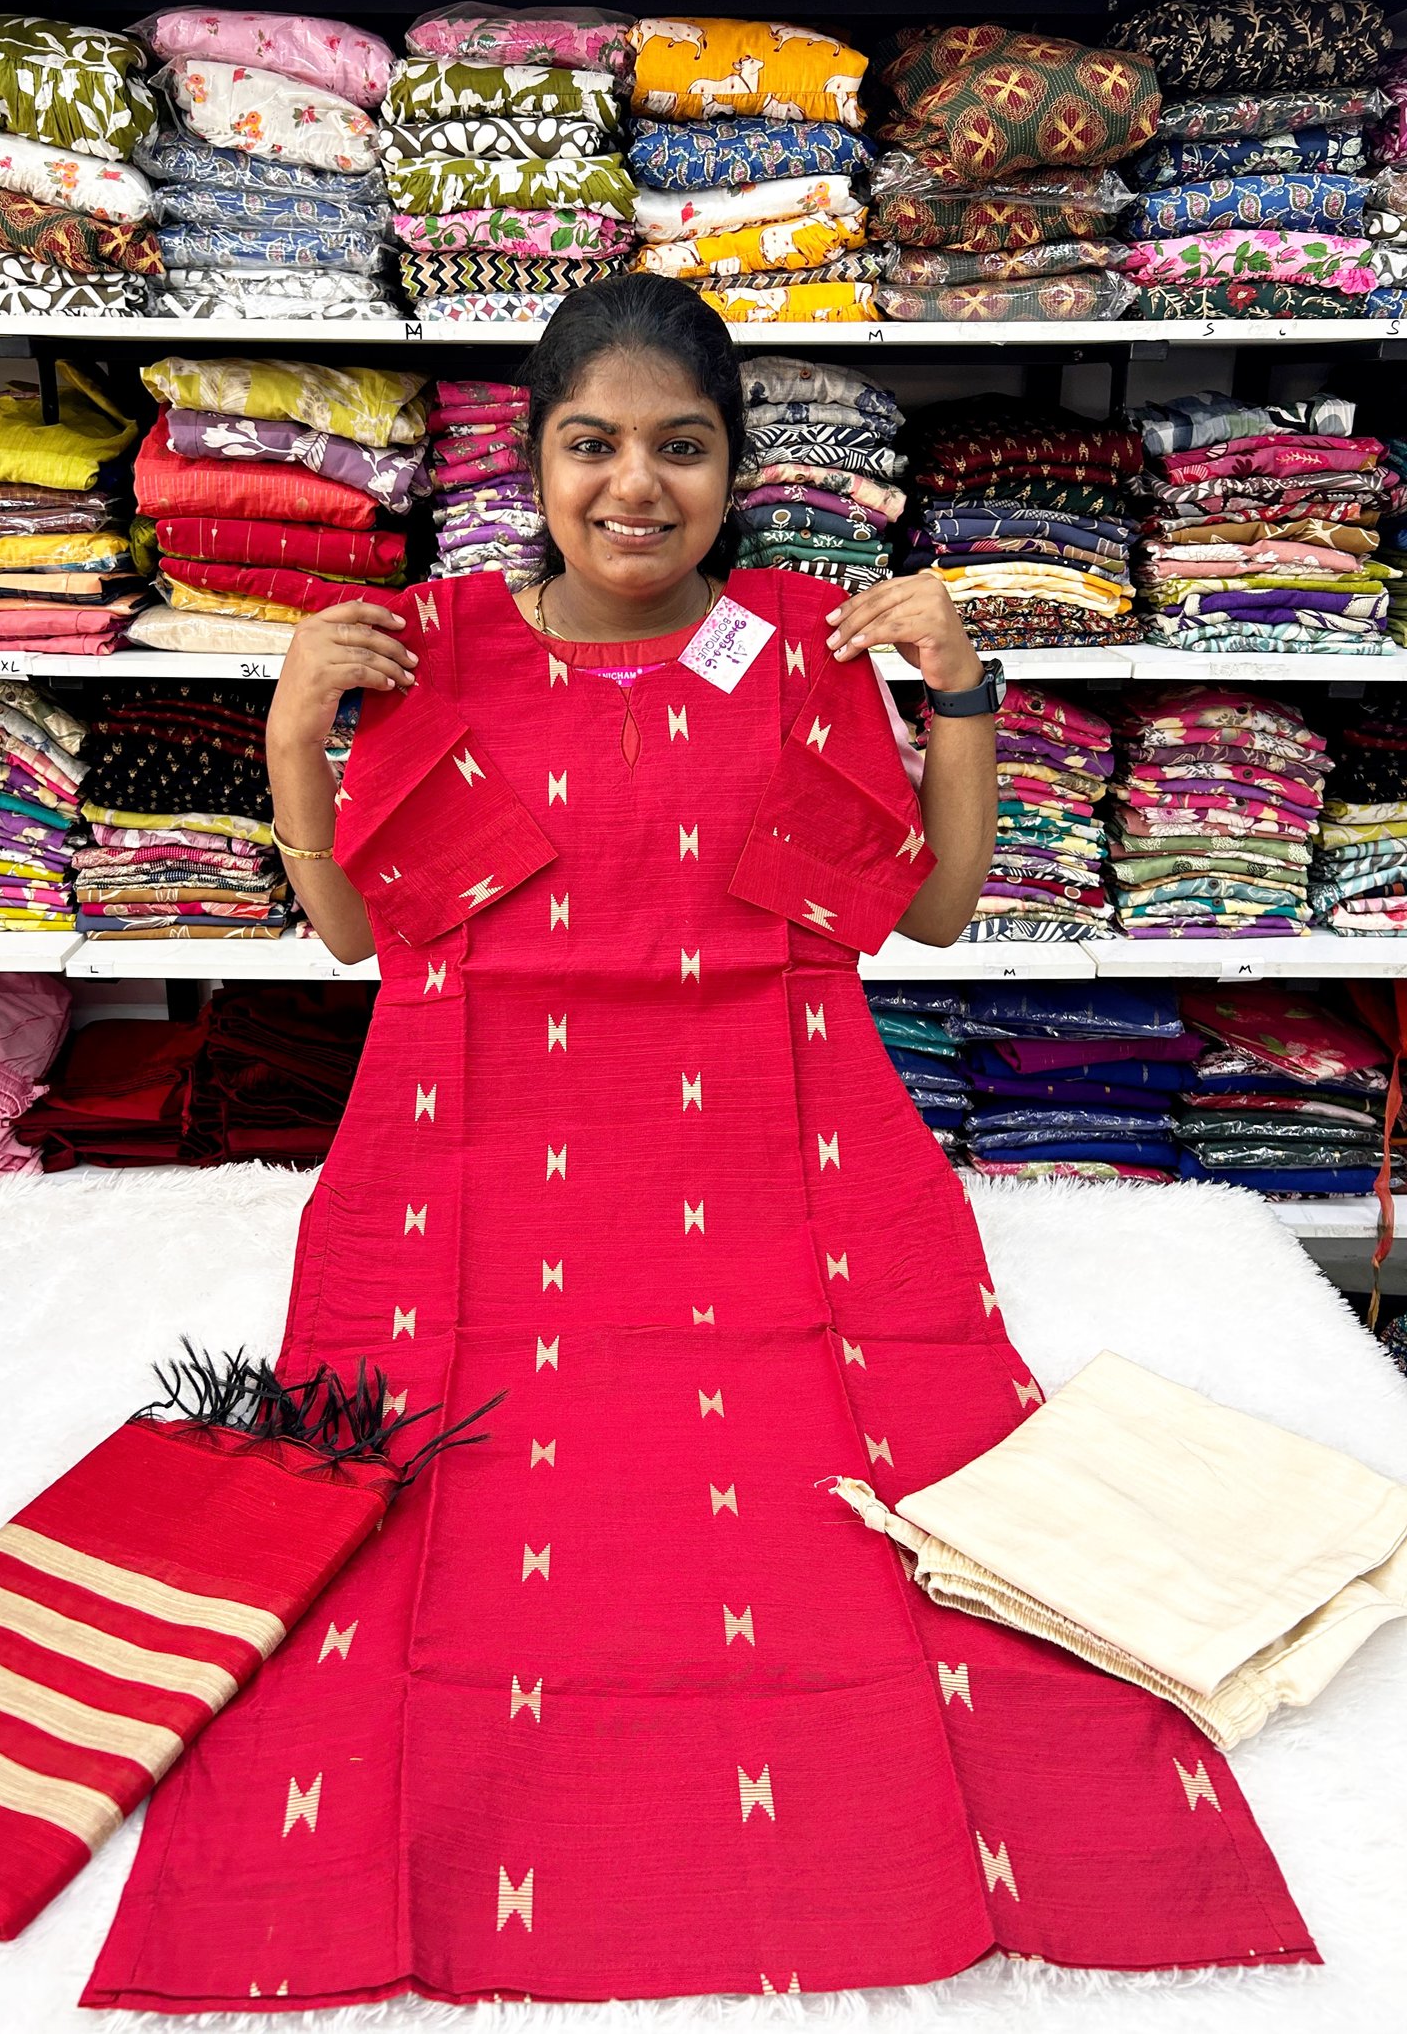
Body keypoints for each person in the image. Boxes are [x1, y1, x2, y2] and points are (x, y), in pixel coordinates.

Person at [86, 281, 1313, 2012]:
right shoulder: (433, 644)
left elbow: (939, 916)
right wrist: (297, 726)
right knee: (415, 1524)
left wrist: (962, 690)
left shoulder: (805, 645)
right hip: (476, 1155)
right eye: (592, 445)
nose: (635, 486)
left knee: (898, 1501)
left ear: (736, 469)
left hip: (780, 1150)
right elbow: (359, 939)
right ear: (534, 462)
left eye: (681, 447)